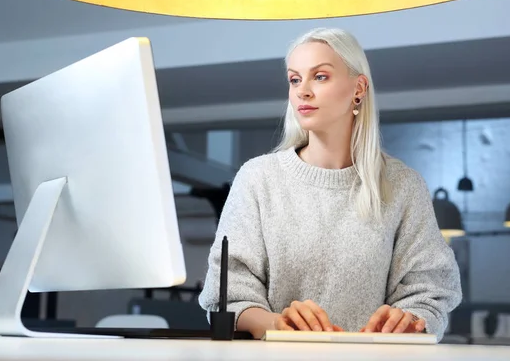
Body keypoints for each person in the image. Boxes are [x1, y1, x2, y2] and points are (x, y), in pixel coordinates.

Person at [198, 27, 462, 341]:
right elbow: (225, 294)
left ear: (359, 89)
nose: (302, 91)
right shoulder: (257, 179)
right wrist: (274, 323)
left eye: (320, 77)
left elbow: (431, 291)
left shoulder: (403, 186)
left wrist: (409, 321)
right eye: (295, 79)